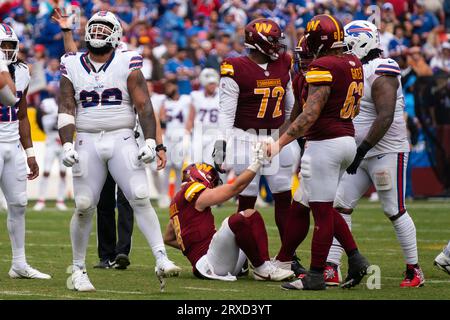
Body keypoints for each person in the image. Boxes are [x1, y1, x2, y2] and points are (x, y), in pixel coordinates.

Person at [57, 11, 180, 292]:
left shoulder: (128, 60)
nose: (97, 34)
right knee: (85, 204)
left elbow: (144, 104)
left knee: (138, 195)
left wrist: (151, 141)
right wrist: (66, 143)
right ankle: (78, 269)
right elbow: (66, 106)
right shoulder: (71, 62)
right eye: (94, 29)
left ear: (115, 35)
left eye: (103, 30)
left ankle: (161, 257)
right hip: (87, 138)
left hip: (122, 137)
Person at [267, 14, 369, 290]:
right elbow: (349, 108)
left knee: (322, 212)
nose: (304, 55)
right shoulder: (353, 62)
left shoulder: (323, 66)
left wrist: (277, 145)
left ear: (317, 40)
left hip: (325, 144)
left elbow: (310, 114)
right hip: (345, 139)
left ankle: (314, 275)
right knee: (305, 204)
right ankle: (353, 258)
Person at [324, 20, 425, 288]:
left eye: (349, 42)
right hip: (358, 152)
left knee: (394, 209)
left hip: (384, 151)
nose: (346, 48)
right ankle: (331, 267)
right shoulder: (355, 68)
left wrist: (361, 150)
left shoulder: (383, 68)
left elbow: (386, 117)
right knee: (339, 205)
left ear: (363, 41)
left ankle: (414, 270)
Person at [213, 18, 296, 256]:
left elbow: (290, 109)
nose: (278, 45)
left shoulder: (284, 62)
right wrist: (222, 145)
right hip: (245, 138)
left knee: (283, 196)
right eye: (273, 41)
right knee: (247, 198)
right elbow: (227, 113)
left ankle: (288, 256)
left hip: (277, 137)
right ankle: (246, 257)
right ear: (259, 42)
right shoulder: (234, 67)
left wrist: (287, 136)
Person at [163, 149, 294, 281]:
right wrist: (257, 162)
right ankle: (262, 268)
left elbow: (168, 237)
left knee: (251, 216)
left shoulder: (178, 203)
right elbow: (235, 188)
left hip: (218, 260)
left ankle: (263, 265)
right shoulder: (190, 190)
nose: (212, 187)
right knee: (237, 220)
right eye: (212, 182)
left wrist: (189, 248)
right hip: (210, 264)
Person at [0, 23, 50, 279]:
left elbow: (20, 115)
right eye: (2, 45)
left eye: (10, 45)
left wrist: (30, 153)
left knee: (19, 204)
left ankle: (19, 263)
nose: (7, 50)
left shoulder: (23, 72)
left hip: (11, 144)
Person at [159, 79, 191, 207]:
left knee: (179, 168)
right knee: (166, 168)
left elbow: (192, 115)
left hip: (181, 137)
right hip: (168, 137)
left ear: (176, 87)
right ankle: (164, 196)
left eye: (170, 85)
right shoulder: (164, 102)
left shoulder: (186, 100)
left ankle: (178, 195)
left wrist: (187, 131)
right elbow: (161, 118)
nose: (167, 88)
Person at [33, 95, 68, 211]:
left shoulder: (67, 103)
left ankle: (60, 200)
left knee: (63, 172)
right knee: (46, 171)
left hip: (64, 144)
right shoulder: (48, 102)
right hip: (51, 143)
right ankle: (41, 200)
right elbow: (39, 116)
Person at [187, 68, 220, 166]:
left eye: (214, 83)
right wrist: (187, 135)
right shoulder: (196, 96)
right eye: (210, 83)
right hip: (199, 133)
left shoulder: (222, 95)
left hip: (215, 133)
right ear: (204, 83)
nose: (212, 86)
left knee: (212, 164)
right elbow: (190, 118)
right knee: (194, 164)